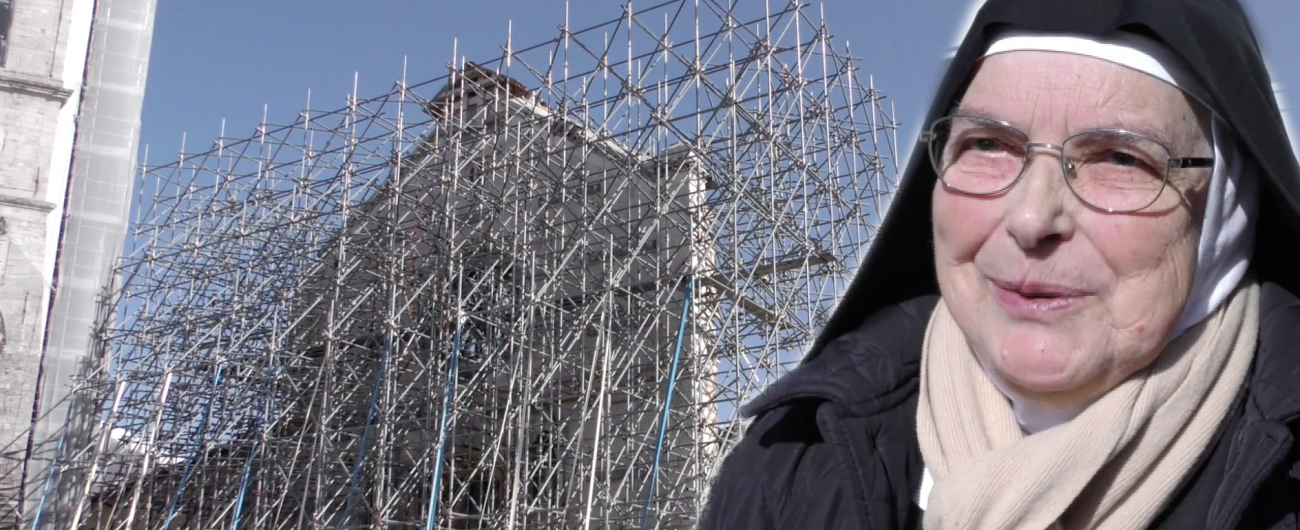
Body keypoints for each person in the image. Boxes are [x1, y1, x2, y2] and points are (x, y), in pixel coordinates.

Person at [699, 0, 1300, 528]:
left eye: (1119, 157)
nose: (1032, 219)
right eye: (987, 145)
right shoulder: (791, 462)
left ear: (1227, 210)